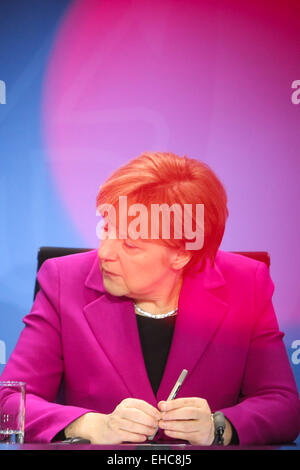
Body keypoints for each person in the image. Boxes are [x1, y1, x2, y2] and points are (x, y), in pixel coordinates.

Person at [0, 151, 299, 445]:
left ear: (182, 254)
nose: (104, 253)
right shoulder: (63, 280)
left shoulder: (246, 283)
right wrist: (93, 425)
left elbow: (283, 407)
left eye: (129, 244)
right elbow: (8, 401)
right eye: (107, 230)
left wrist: (218, 428)